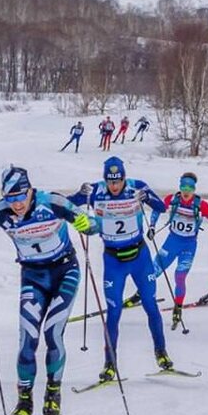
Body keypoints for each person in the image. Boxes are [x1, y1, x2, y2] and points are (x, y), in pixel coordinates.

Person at [0, 166, 95, 415]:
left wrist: (86, 225)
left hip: (65, 271)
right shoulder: (0, 211)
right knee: (27, 339)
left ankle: (53, 397)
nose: (17, 204)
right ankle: (24, 403)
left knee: (53, 333)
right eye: (10, 198)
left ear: (30, 190)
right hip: (33, 277)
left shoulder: (52, 202)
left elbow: (94, 225)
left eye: (21, 196)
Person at [68, 156, 172, 377]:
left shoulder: (136, 186)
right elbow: (66, 206)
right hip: (113, 260)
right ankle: (110, 363)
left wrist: (147, 196)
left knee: (150, 305)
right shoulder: (96, 191)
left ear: (124, 177)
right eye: (110, 181)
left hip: (140, 257)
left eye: (118, 181)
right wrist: (79, 194)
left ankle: (161, 352)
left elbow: (162, 207)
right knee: (114, 312)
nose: (114, 186)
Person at [148, 172, 208, 325]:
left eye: (190, 188)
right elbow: (156, 209)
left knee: (180, 276)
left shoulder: (201, 205)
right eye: (183, 187)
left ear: (194, 189)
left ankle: (178, 307)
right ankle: (140, 294)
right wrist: (152, 227)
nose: (186, 191)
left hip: (189, 246)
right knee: (154, 270)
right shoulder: (172, 199)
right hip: (172, 242)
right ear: (180, 187)